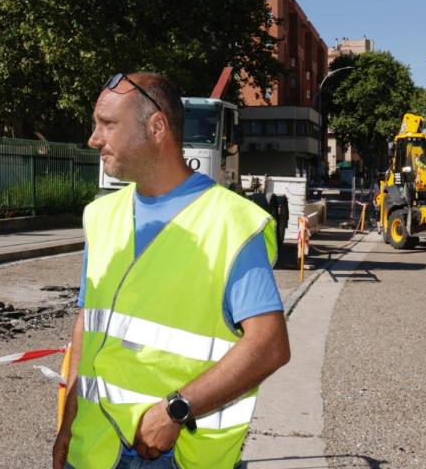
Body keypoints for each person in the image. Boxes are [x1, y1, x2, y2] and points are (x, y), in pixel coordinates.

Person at [52, 72, 291, 469]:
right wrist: (68, 421)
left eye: (108, 124)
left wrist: (177, 409)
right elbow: (87, 323)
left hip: (175, 453)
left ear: (156, 127)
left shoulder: (231, 223)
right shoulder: (100, 215)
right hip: (93, 448)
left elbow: (270, 345)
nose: (94, 138)